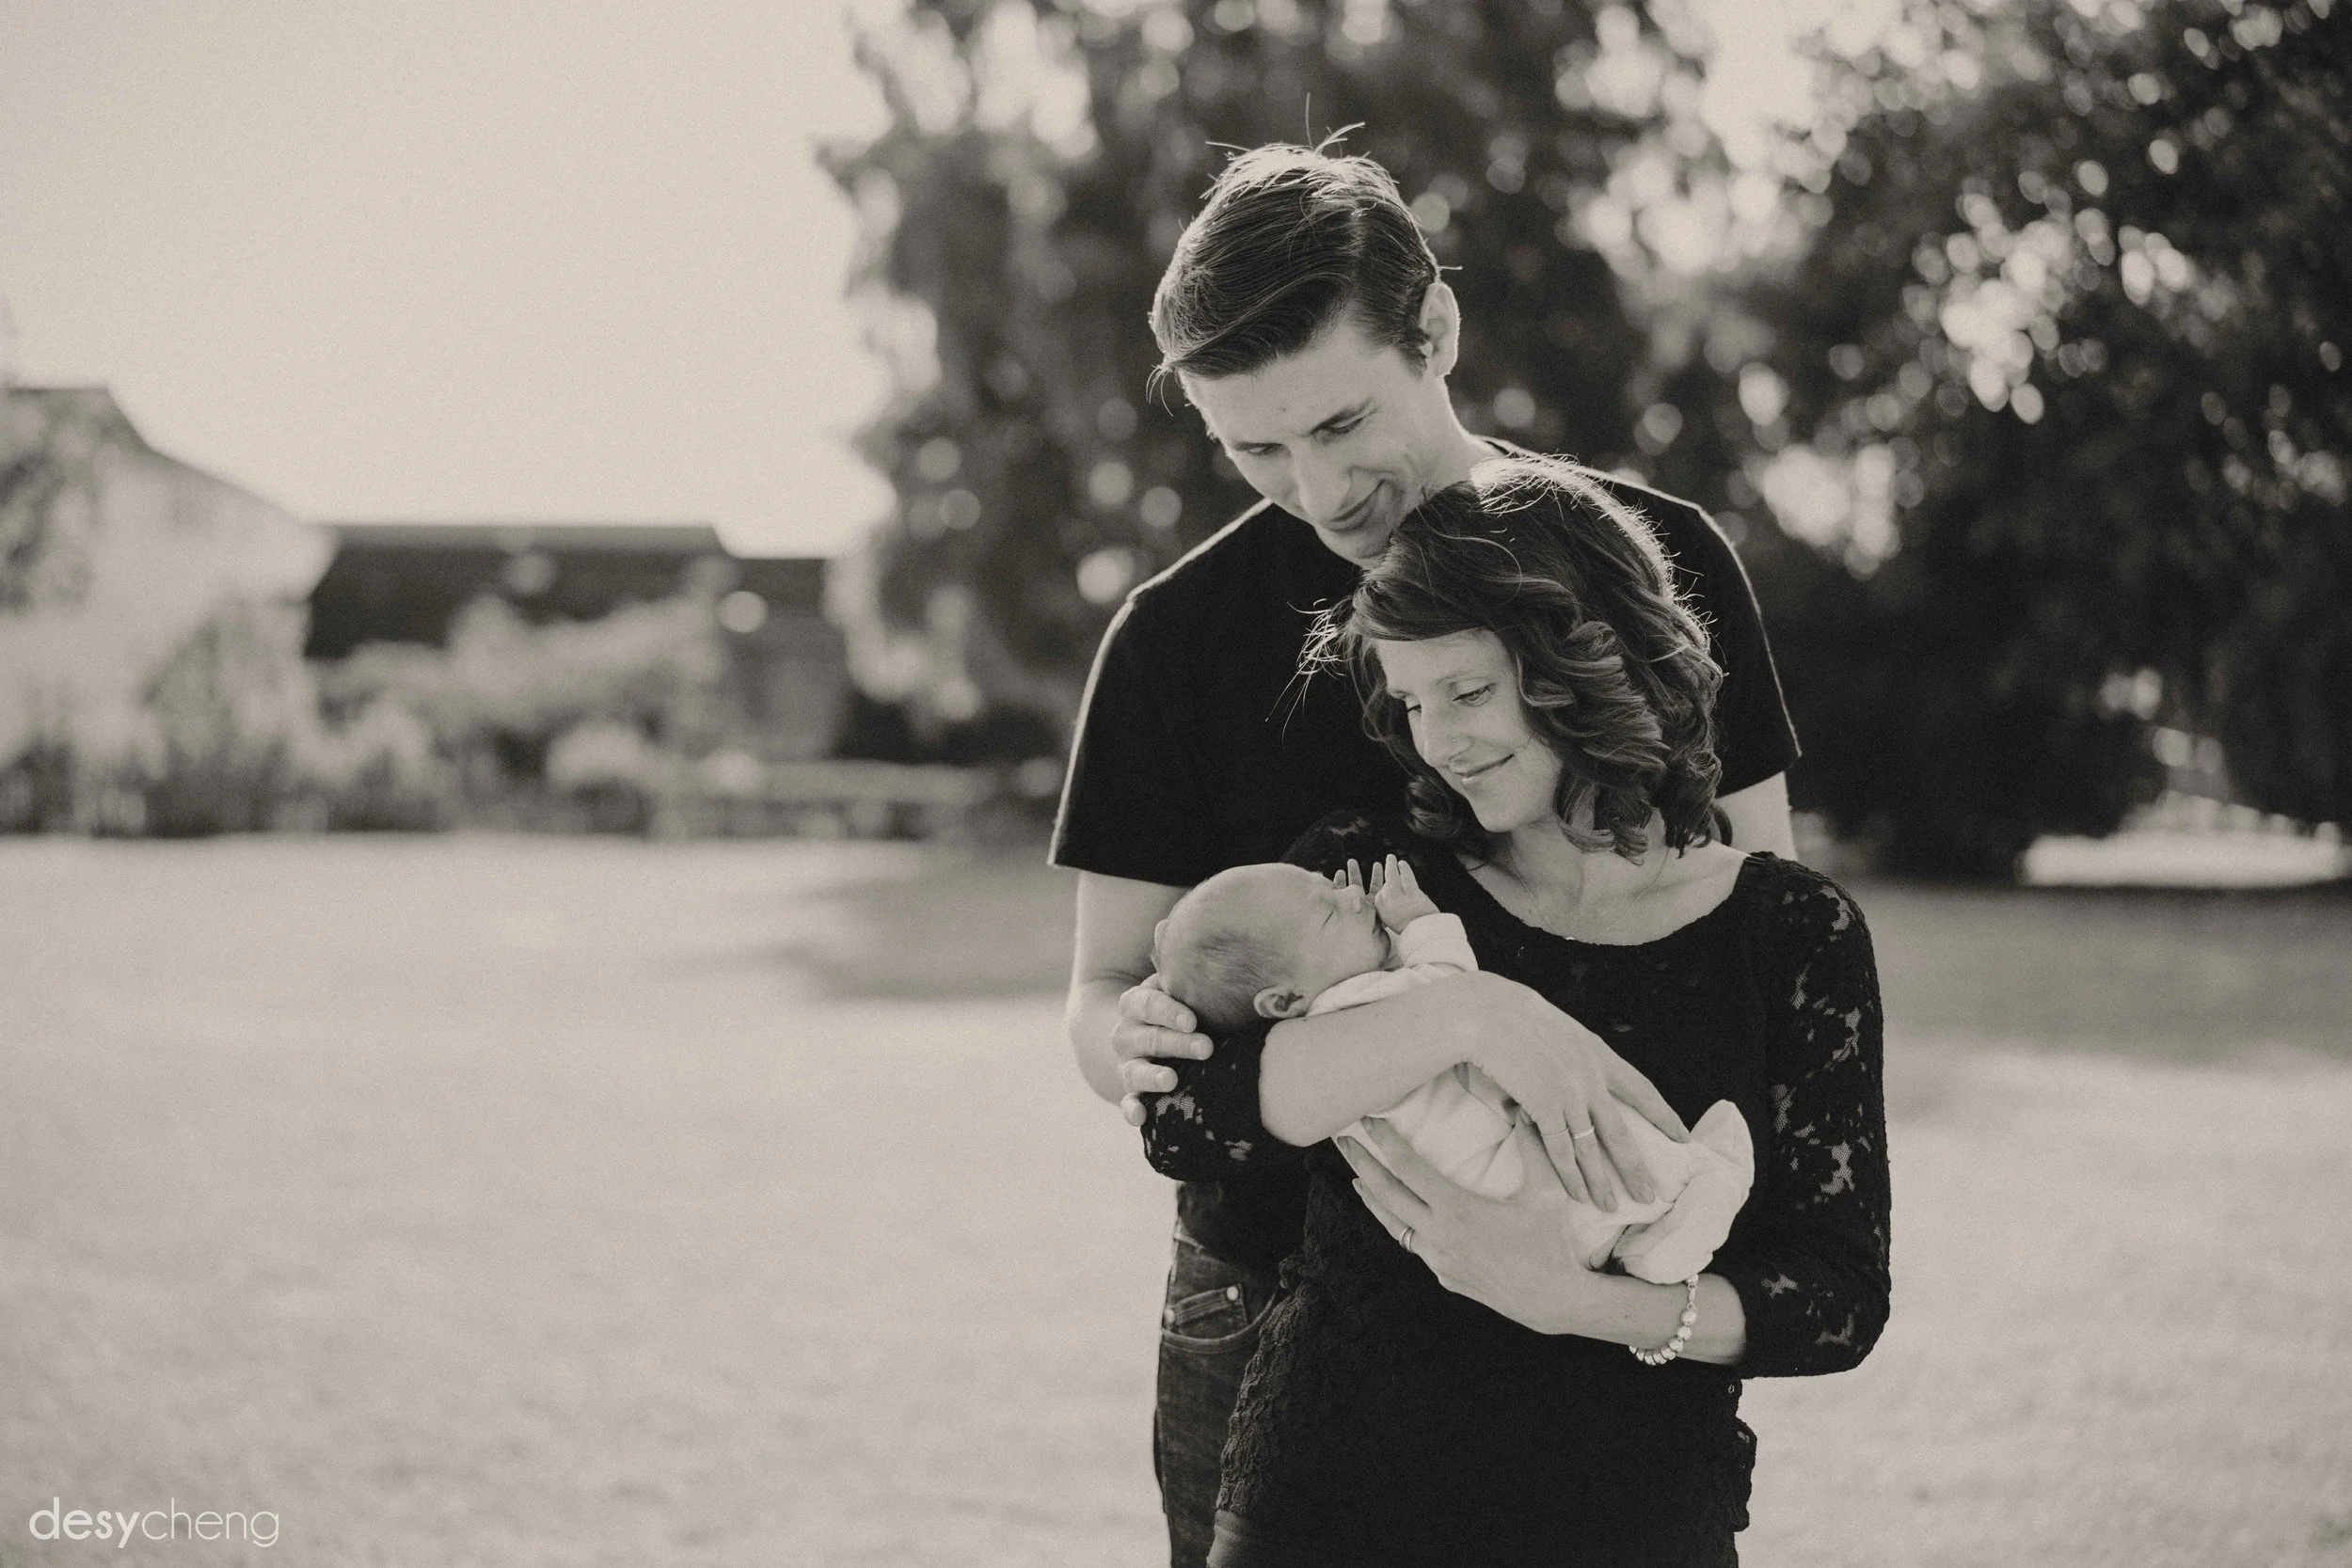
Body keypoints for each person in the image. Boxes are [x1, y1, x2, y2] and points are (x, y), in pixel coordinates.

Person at [1052, 142, 1804, 1566]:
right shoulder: (1171, 640)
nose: (1319, 488)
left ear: (1436, 330)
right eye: (1255, 450)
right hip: (1263, 1304)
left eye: (1342, 422)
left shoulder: (1662, 560)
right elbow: (1099, 999)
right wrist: (1127, 1036)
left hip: (1588, 1275)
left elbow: (1757, 931)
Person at [1141, 456, 1889, 1565]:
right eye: (1410, 700)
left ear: (1588, 656)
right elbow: (1187, 1122)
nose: (1437, 739)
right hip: (1324, 1510)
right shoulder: (1369, 883)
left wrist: (1571, 1298)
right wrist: (1471, 1014)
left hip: (1629, 1525)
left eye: (1467, 691)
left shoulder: (1791, 930)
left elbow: (1836, 1296)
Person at [1152, 852, 1755, 1285]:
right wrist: (1420, 923)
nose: (1353, 896)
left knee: (1588, 1191)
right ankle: (1700, 1180)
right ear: (1284, 1000)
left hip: (1484, 1189)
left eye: (1330, 885)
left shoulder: (1316, 1035)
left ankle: (1647, 1245)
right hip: (1503, 1158)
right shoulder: (1359, 1004)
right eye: (1331, 913)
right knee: (1604, 1140)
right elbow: (1452, 984)